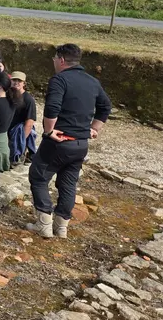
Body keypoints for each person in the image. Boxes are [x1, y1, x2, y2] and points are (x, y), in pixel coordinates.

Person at [27, 44, 111, 239]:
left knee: (38, 176)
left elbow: (52, 108)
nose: (54, 62)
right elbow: (105, 106)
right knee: (68, 184)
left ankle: (44, 223)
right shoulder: (92, 81)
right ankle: (61, 226)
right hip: (80, 144)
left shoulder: (60, 79)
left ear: (62, 59)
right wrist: (94, 128)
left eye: (55, 58)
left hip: (60, 141)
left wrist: (48, 132)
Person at [8, 71, 37, 164]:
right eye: (14, 80)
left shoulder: (28, 100)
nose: (16, 82)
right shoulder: (8, 95)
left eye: (19, 80)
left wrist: (22, 140)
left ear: (24, 83)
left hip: (18, 134)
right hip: (7, 132)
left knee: (14, 163)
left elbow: (29, 122)